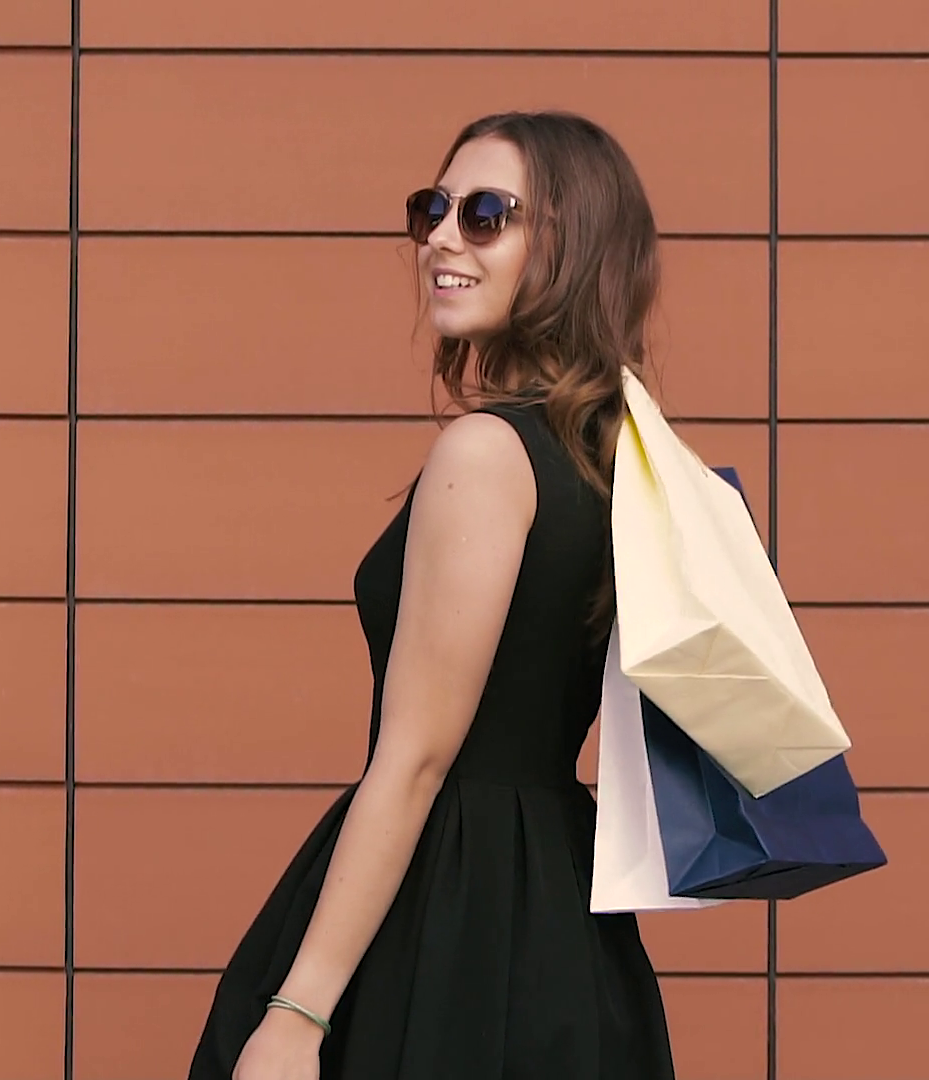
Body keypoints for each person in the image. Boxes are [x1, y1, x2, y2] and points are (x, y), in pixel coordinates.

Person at [188, 110, 675, 1080]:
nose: (443, 238)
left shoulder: (487, 454)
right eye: (433, 208)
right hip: (561, 917)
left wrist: (298, 1011)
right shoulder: (613, 455)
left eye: (487, 214)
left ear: (569, 246)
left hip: (450, 910)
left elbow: (415, 759)